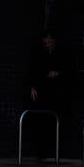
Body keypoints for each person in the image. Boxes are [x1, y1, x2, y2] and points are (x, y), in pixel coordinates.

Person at [28, 31, 65, 160]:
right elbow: (33, 71)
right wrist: (32, 87)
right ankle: (41, 153)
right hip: (42, 92)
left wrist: (57, 74)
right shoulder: (40, 55)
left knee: (54, 121)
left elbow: (68, 71)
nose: (48, 44)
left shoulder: (60, 55)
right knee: (41, 121)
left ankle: (54, 152)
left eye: (50, 42)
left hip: (56, 93)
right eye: (46, 42)